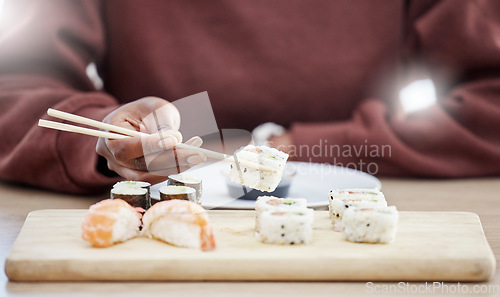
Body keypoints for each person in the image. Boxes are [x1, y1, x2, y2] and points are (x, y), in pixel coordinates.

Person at [0, 0, 499, 194]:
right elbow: (16, 87)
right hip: (149, 216)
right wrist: (106, 134)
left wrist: (296, 146)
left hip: (350, 207)